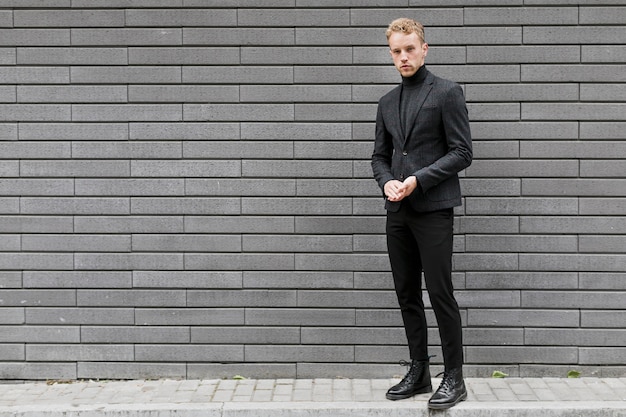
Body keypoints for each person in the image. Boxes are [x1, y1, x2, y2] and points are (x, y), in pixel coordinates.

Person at [371, 18, 473, 410]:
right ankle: (419, 370)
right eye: (396, 51)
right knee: (406, 293)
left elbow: (462, 152)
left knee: (440, 293)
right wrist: (386, 182)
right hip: (397, 210)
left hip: (432, 208)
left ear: (424, 48)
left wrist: (417, 179)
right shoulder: (387, 102)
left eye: (409, 49)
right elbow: (379, 157)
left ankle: (455, 377)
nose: (403, 57)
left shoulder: (447, 92)